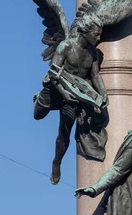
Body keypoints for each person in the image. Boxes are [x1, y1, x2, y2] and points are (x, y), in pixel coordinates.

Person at [34, 17, 108, 185]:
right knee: (37, 115)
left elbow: (95, 76)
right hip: (56, 87)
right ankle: (38, 98)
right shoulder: (65, 46)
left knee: (64, 132)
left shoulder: (93, 53)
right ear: (85, 32)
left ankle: (57, 161)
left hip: (75, 94)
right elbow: (53, 72)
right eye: (96, 35)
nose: (98, 39)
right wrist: (63, 93)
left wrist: (103, 94)